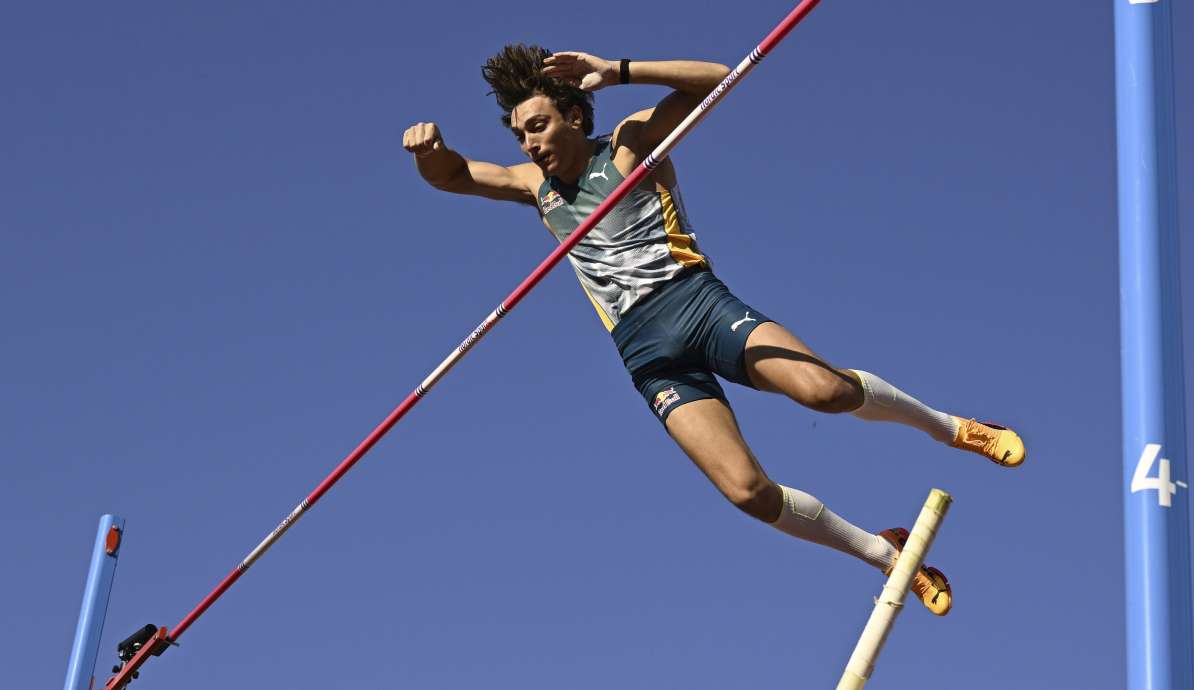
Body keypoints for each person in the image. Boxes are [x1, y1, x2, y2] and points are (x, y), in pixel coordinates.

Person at [403, 44, 1026, 616]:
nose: (529, 145)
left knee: (824, 392)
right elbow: (455, 175)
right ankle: (887, 554)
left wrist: (617, 72)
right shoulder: (533, 188)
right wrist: (431, 153)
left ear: (572, 115)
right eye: (519, 135)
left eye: (537, 126)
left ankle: (955, 429)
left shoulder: (628, 144)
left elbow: (717, 80)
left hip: (697, 305)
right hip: (648, 355)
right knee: (747, 492)